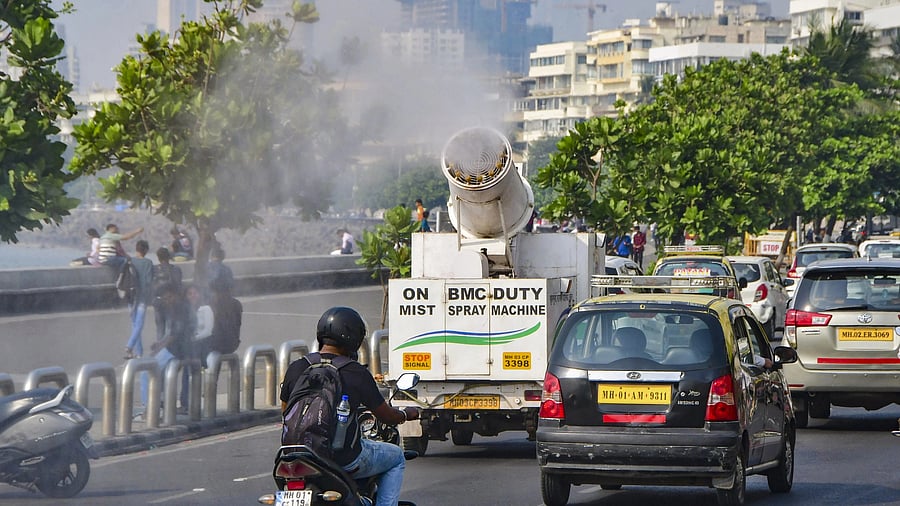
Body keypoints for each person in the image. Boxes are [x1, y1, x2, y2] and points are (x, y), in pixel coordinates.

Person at [280, 307, 419, 506]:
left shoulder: (297, 367)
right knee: (396, 457)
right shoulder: (355, 372)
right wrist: (406, 414)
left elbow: (285, 411)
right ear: (354, 337)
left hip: (293, 455)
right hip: (340, 458)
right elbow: (386, 416)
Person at [145, 283, 194, 411]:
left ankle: (150, 407)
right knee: (160, 373)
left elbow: (174, 335)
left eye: (169, 297)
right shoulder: (174, 308)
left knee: (147, 371)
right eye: (165, 299)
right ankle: (161, 401)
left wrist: (158, 348)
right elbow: (169, 333)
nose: (167, 301)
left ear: (175, 295)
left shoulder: (180, 308)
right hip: (176, 348)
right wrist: (159, 343)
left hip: (177, 350)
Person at [124, 240, 155, 360]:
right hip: (141, 297)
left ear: (136, 249)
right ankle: (130, 345)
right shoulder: (148, 263)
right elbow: (148, 281)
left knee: (135, 325)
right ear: (146, 250)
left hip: (131, 297)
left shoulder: (130, 261)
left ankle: (139, 352)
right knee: (139, 324)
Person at [153, 247, 184, 342]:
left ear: (158, 258)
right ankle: (168, 350)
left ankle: (159, 352)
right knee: (170, 327)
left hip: (157, 301)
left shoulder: (154, 270)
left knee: (159, 328)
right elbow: (178, 286)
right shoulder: (175, 269)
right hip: (171, 302)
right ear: (169, 257)